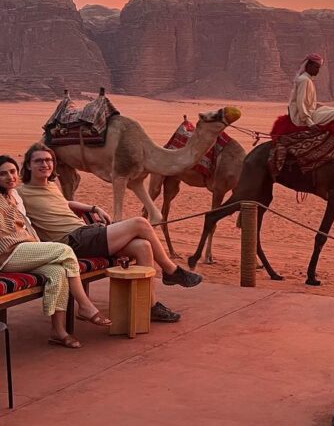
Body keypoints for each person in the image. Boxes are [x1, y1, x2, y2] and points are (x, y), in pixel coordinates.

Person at [18, 143, 202, 324]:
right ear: (28, 165)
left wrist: (93, 207)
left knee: (143, 247)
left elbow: (64, 204)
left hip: (87, 233)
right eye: (39, 161)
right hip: (72, 241)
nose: (45, 165)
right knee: (140, 223)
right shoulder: (20, 193)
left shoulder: (51, 186)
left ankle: (149, 306)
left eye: (49, 160)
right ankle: (171, 271)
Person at [0, 154, 111, 348]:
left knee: (58, 272)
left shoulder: (15, 195)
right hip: (8, 254)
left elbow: (61, 203)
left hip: (27, 250)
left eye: (12, 172)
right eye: (2, 174)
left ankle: (58, 331)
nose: (10, 177)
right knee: (65, 251)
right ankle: (85, 306)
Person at [287, 53, 334, 157]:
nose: (318, 70)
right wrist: (310, 123)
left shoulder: (307, 79)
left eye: (319, 68)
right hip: (302, 118)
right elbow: (301, 103)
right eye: (316, 67)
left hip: (310, 112)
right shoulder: (304, 81)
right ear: (308, 66)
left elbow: (307, 103)